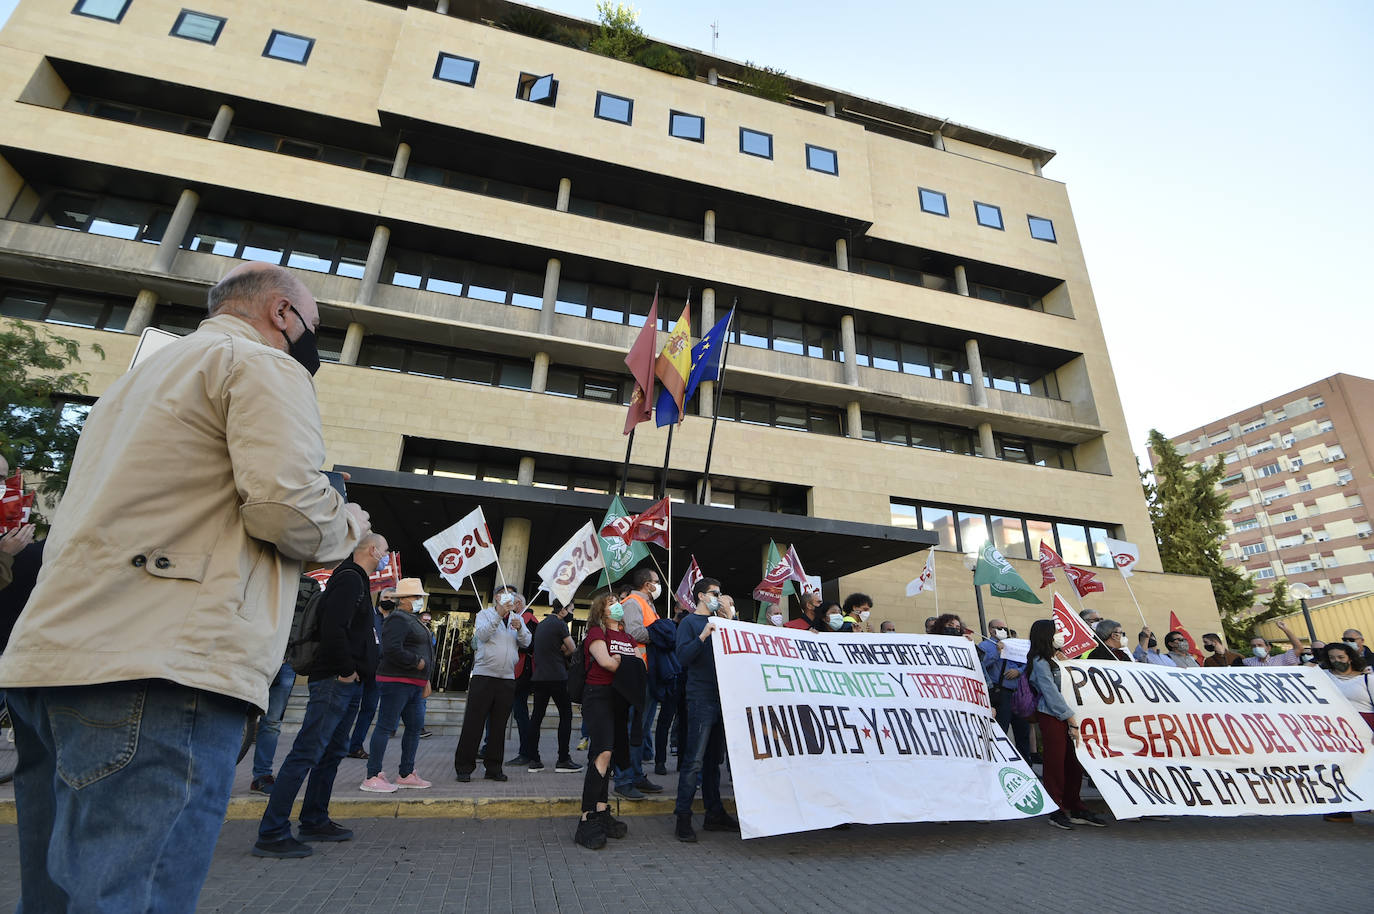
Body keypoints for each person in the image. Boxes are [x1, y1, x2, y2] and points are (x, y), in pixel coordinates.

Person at [0, 263, 367, 909]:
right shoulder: (262, 364)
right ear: (282, 313)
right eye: (316, 326)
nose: (316, 341)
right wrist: (349, 526)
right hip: (165, 666)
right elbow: (289, 510)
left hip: (56, 662)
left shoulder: (131, 386)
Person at [254, 534, 388, 857]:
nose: (386, 556)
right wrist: (346, 671)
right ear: (372, 550)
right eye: (384, 551)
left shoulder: (356, 581)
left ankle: (314, 818)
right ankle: (272, 832)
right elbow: (333, 628)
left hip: (347, 683)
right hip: (335, 682)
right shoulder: (349, 579)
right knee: (307, 751)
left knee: (330, 753)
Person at [673, 577, 741, 842]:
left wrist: (730, 618)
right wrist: (703, 636)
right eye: (715, 593)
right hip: (700, 698)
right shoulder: (690, 623)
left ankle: (714, 813)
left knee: (714, 761)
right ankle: (683, 817)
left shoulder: (724, 623)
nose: (718, 596)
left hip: (722, 697)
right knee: (694, 761)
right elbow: (682, 657)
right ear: (701, 596)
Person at [1024, 619, 1107, 830]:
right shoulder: (1040, 662)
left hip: (1072, 716)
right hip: (1053, 716)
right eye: (1057, 631)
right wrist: (1070, 718)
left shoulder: (1058, 659)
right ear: (1046, 635)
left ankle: (1074, 804)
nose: (1061, 634)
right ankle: (1056, 809)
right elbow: (1050, 693)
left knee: (1073, 763)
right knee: (1055, 764)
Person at [574, 593, 638, 850]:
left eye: (618, 602)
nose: (617, 606)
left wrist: (621, 662)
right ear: (601, 611)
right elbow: (607, 663)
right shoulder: (595, 634)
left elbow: (639, 666)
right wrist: (623, 662)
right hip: (597, 696)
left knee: (606, 757)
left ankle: (601, 810)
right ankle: (587, 817)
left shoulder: (627, 636)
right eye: (611, 603)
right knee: (603, 753)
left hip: (619, 700)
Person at [360, 578, 435, 793]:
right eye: (416, 597)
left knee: (414, 727)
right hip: (396, 682)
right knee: (385, 726)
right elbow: (391, 649)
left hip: (414, 682)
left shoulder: (412, 619)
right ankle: (372, 775)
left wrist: (425, 678)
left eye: (420, 597)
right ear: (403, 600)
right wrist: (417, 662)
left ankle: (406, 773)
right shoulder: (398, 619)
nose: (420, 601)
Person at [453, 585, 531, 782]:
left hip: (506, 678)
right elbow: (482, 635)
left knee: (498, 726)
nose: (511, 598)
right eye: (507, 594)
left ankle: (494, 767)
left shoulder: (517, 617)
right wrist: (498, 616)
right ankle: (464, 767)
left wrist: (520, 628)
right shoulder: (484, 614)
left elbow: (527, 642)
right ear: (497, 597)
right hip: (484, 676)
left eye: (513, 595)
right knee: (474, 723)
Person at [614, 566, 664, 800]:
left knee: (640, 730)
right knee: (632, 729)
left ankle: (636, 774)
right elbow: (634, 633)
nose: (658, 585)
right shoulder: (633, 603)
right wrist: (661, 634)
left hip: (646, 672)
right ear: (647, 584)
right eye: (656, 581)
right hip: (636, 672)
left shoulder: (647, 604)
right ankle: (624, 776)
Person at [1318, 642, 1373, 823]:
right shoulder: (1323, 676)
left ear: (1350, 657)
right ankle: (1343, 809)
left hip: (1365, 728)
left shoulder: (1367, 679)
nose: (1336, 661)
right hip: (1338, 730)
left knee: (1368, 768)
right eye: (1332, 658)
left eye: (1340, 657)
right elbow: (1303, 671)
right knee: (1342, 768)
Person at [526, 601, 582, 773]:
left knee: (536, 717)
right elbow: (573, 648)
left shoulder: (542, 624)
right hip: (557, 676)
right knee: (566, 715)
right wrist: (562, 651)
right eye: (571, 610)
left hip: (540, 676)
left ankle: (534, 760)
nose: (571, 613)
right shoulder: (560, 624)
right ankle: (563, 759)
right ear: (563, 610)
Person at [978, 619, 1032, 762]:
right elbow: (981, 665)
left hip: (1018, 692)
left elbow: (1026, 663)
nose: (1002, 630)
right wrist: (997, 652)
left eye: (1004, 628)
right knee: (1001, 729)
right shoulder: (984, 645)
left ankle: (1026, 763)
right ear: (990, 630)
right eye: (998, 628)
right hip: (1000, 692)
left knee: (1023, 730)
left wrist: (1018, 671)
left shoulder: (1014, 644)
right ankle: (998, 762)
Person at [500, 586, 540, 768]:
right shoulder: (509, 618)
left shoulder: (530, 620)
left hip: (522, 673)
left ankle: (527, 752)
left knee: (520, 713)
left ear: (518, 603)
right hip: (510, 671)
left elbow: (532, 646)